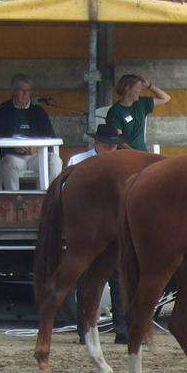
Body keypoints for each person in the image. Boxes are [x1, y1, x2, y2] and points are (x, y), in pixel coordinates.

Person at [66, 123, 131, 342]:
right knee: (85, 278)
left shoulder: (123, 164)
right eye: (106, 145)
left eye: (113, 147)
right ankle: (84, 329)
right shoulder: (77, 162)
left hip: (111, 226)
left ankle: (122, 330)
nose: (110, 150)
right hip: (86, 226)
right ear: (97, 144)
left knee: (117, 278)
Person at [0, 73, 63, 190]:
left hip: (36, 156)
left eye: (28, 91)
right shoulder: (2, 110)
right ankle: (15, 200)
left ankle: (44, 198)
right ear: (13, 91)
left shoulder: (38, 111)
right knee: (7, 164)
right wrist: (13, 148)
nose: (25, 94)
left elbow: (50, 136)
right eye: (22, 90)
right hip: (13, 156)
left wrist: (37, 148)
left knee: (55, 161)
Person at [102, 73, 170, 152]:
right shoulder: (115, 111)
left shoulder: (141, 104)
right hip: (125, 154)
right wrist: (135, 153)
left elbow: (165, 98)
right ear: (127, 88)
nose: (141, 91)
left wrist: (149, 86)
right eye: (138, 88)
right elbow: (119, 141)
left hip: (142, 152)